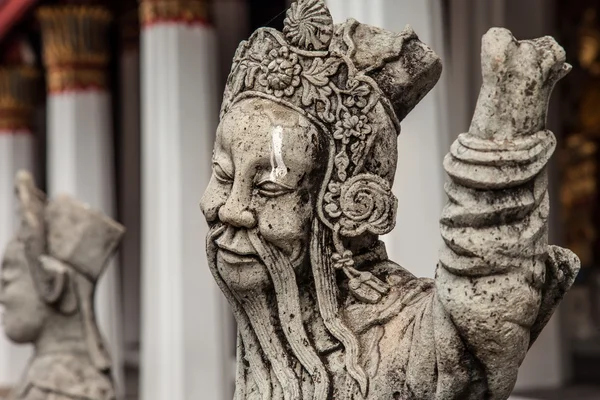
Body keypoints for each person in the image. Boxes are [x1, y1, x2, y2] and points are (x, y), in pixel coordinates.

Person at [201, 1, 580, 399]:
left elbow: (477, 325)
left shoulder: (397, 339)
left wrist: (502, 144)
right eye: (224, 175)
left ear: (342, 204)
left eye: (269, 188)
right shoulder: (269, 321)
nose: (230, 209)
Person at [0, 171, 123, 400]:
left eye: (7, 280)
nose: (2, 297)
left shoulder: (68, 392)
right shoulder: (44, 382)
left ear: (52, 285)